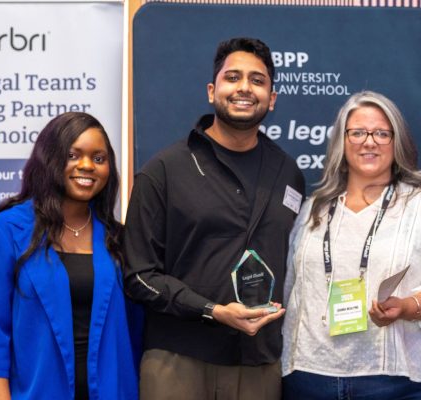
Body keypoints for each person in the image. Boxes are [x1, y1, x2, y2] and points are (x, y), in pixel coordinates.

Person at [122, 37, 305, 400]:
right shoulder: (164, 171)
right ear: (211, 91)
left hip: (259, 364)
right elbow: (139, 276)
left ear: (271, 98)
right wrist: (212, 310)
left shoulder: (289, 174)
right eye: (232, 77)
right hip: (178, 360)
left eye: (257, 80)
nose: (244, 88)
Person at [281, 90, 421, 400]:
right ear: (342, 141)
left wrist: (407, 307)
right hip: (309, 378)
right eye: (358, 132)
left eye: (382, 134)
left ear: (397, 143)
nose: (369, 142)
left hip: (396, 384)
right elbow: (292, 290)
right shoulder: (313, 210)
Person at [0, 112, 140, 399]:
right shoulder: (5, 232)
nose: (87, 166)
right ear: (49, 158)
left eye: (99, 158)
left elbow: (137, 332)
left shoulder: (119, 239)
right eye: (73, 155)